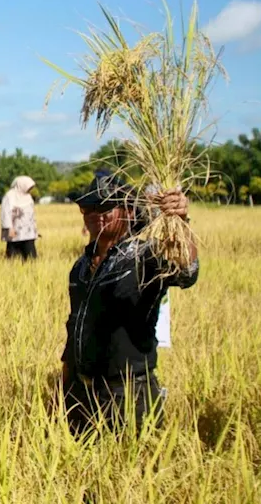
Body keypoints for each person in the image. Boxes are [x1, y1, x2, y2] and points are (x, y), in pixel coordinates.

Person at [61, 174, 198, 435]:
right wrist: (65, 384)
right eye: (87, 208)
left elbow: (186, 272)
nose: (94, 214)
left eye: (105, 207)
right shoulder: (80, 267)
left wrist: (179, 220)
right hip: (81, 392)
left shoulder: (144, 257)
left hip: (128, 393)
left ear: (129, 211)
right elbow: (74, 326)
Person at [1, 175, 38, 260]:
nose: (30, 189)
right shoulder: (9, 196)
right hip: (14, 233)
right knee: (14, 257)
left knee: (31, 257)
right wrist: (9, 228)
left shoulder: (28, 197)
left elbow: (31, 215)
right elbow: (5, 213)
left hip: (28, 234)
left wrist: (34, 229)